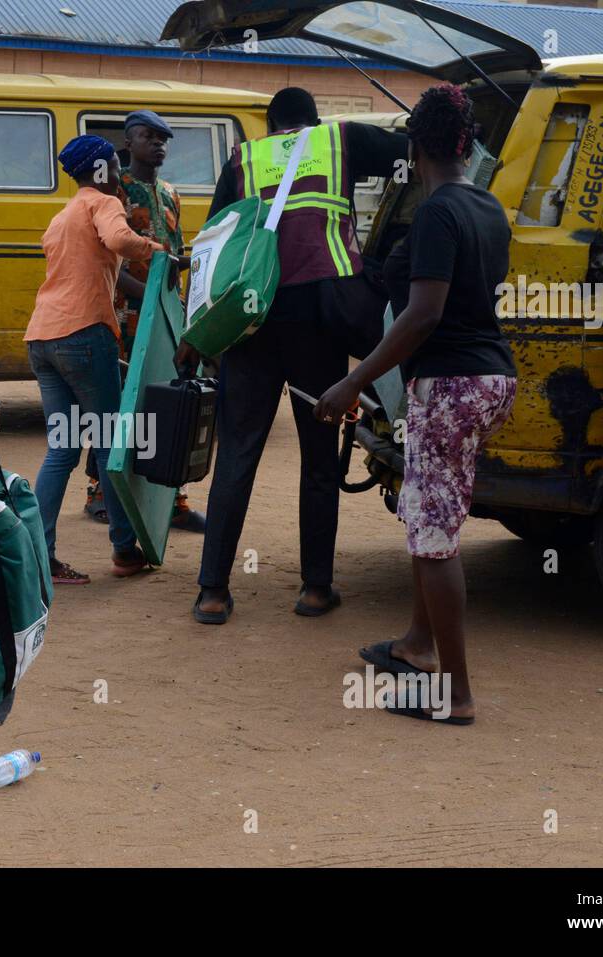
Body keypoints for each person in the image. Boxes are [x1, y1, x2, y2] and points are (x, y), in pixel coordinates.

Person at [314, 84, 517, 725]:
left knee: (433, 536)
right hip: (490, 380)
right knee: (435, 515)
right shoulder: (488, 207)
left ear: (413, 147)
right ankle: (416, 643)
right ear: (467, 144)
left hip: (451, 384)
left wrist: (354, 381)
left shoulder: (434, 213)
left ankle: (454, 697)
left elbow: (424, 314)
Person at [187, 87, 407, 625]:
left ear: (271, 124)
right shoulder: (341, 138)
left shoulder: (246, 157)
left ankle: (212, 592)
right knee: (317, 457)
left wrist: (200, 335)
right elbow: (412, 152)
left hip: (251, 319)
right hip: (321, 321)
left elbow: (213, 241)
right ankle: (315, 589)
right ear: (313, 120)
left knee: (238, 454)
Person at [25, 134, 163, 585]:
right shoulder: (102, 203)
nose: (120, 176)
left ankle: (41, 557)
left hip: (43, 339)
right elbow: (121, 240)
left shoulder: (61, 216)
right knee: (109, 444)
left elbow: (90, 265)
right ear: (102, 169)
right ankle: (125, 551)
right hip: (85, 335)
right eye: (114, 167)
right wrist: (158, 252)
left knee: (62, 449)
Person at [81, 109, 207, 534]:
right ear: (129, 143)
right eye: (148, 137)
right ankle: (100, 491)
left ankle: (170, 496)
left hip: (167, 314)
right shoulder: (116, 192)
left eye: (163, 138)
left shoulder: (171, 193)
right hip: (125, 312)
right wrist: (150, 294)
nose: (158, 144)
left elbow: (173, 250)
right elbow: (109, 261)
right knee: (117, 403)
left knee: (167, 400)